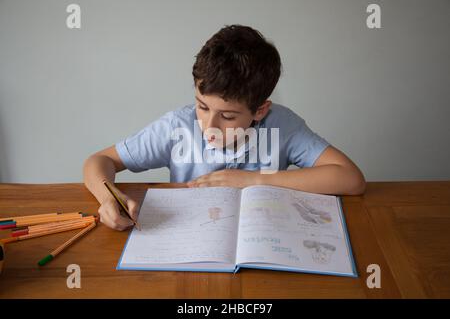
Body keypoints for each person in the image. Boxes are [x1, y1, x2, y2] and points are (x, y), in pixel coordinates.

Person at [83, 25, 366, 231]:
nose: (209, 126)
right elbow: (99, 161)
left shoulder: (283, 125)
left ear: (260, 110)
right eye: (202, 106)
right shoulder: (178, 126)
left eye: (228, 116)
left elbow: (351, 179)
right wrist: (108, 197)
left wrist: (256, 181)